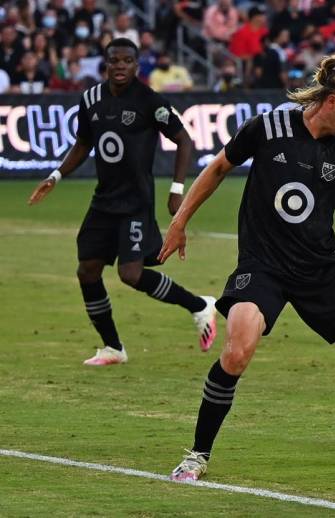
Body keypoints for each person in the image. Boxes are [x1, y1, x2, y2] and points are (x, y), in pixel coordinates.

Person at [163, 55, 335, 481]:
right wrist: (180, 220)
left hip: (320, 268)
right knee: (238, 350)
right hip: (263, 267)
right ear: (332, 101)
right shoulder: (269, 127)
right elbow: (219, 166)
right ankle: (197, 455)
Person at [27, 38, 217, 366]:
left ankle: (199, 305)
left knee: (130, 273)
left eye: (127, 61)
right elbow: (83, 142)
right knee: (87, 270)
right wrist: (55, 176)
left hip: (135, 203)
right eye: (114, 60)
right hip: (104, 201)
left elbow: (184, 140)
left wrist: (176, 190)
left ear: (136, 64)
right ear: (105, 63)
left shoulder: (149, 101)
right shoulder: (90, 99)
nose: (120, 66)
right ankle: (113, 347)